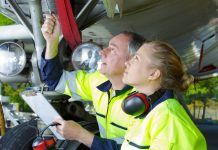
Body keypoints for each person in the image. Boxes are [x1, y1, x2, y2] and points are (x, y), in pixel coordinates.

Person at [40, 14, 145, 149]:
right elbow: (54, 80)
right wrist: (52, 42)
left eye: (112, 50)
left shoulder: (143, 101)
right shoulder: (98, 81)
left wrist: (80, 134)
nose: (102, 52)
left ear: (131, 61)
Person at [120, 41, 207, 149]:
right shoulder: (148, 112)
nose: (127, 63)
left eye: (136, 58)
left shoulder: (168, 119)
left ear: (153, 74)